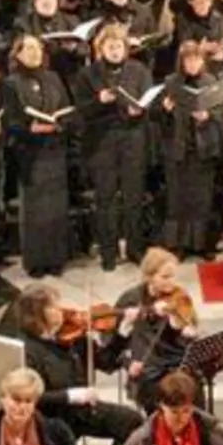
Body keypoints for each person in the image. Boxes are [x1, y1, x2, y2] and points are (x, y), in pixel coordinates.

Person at [12, 283, 144, 445]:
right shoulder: (27, 349)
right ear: (36, 315)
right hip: (54, 420)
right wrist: (72, 395)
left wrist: (122, 333)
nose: (62, 310)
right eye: (53, 306)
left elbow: (107, 362)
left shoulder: (74, 334)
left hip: (83, 411)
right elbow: (33, 397)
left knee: (132, 422)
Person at [71, 25, 154, 269]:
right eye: (110, 46)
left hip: (133, 138)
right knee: (105, 198)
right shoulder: (88, 74)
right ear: (100, 49)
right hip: (102, 141)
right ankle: (108, 253)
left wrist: (139, 110)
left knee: (134, 196)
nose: (115, 51)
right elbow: (81, 111)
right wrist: (99, 101)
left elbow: (150, 103)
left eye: (119, 46)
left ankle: (134, 249)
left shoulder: (139, 70)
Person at [2, 34, 75, 277]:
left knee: (56, 206)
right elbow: (11, 121)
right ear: (18, 54)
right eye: (29, 48)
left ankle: (56, 259)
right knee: (35, 209)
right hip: (30, 152)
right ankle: (36, 262)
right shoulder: (12, 83)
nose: (34, 52)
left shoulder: (53, 77)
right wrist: (29, 128)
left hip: (54, 148)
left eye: (38, 48)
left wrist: (60, 124)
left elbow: (66, 108)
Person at [156, 42, 223, 257]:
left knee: (202, 199)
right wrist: (165, 110)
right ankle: (180, 245)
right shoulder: (171, 82)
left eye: (197, 59)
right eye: (189, 60)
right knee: (179, 199)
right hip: (178, 147)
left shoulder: (211, 81)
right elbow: (158, 120)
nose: (193, 64)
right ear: (182, 62)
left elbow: (222, 113)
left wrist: (209, 116)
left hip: (203, 147)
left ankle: (203, 244)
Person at [115, 248, 200, 412]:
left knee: (193, 385)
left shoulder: (179, 297)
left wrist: (187, 332)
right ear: (149, 277)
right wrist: (128, 363)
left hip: (176, 361)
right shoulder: (132, 299)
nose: (171, 282)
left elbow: (191, 327)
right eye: (165, 277)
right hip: (148, 368)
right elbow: (116, 343)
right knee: (163, 394)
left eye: (173, 276)